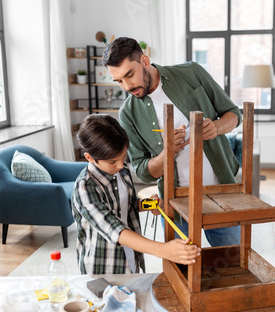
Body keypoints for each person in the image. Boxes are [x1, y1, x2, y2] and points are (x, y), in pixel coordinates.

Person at [103, 37, 242, 247]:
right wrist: (167, 152)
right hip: (175, 205)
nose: (127, 86)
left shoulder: (192, 72)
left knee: (231, 264)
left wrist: (216, 128)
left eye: (129, 75)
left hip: (222, 193)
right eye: (119, 81)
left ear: (145, 61)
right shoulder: (128, 113)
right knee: (182, 273)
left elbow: (233, 114)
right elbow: (143, 171)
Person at [71, 114, 200, 274]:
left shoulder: (122, 171)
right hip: (104, 269)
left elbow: (125, 204)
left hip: (130, 259)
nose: (120, 165)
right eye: (112, 162)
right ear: (90, 158)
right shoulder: (85, 187)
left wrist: (146, 205)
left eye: (123, 157)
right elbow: (113, 228)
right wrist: (163, 250)